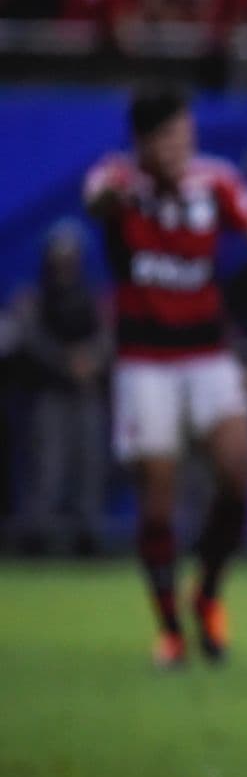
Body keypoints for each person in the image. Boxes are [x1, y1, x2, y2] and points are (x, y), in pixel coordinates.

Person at [84, 84, 247, 668]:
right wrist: (125, 189)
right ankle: (169, 627)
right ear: (144, 143)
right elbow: (96, 201)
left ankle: (206, 591)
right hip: (144, 359)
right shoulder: (119, 182)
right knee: (157, 499)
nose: (183, 149)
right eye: (170, 139)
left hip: (208, 352)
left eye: (187, 136)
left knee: (237, 477)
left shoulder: (216, 181)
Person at [13, 220, 112, 555]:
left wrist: (91, 360)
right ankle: (37, 534)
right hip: (48, 391)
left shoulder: (93, 297)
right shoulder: (35, 296)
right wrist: (64, 361)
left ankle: (88, 534)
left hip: (86, 392)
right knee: (47, 464)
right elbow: (31, 338)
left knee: (89, 463)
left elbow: (107, 337)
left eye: (70, 255)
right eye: (59, 255)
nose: (64, 261)